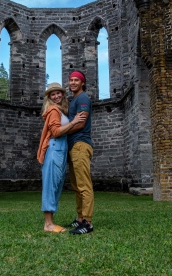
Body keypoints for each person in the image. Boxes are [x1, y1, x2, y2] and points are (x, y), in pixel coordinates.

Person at [37, 82, 86, 233]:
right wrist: (73, 122)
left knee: (56, 185)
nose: (56, 96)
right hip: (54, 149)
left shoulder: (60, 110)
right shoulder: (53, 110)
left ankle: (50, 222)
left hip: (60, 150)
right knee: (50, 185)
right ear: (49, 98)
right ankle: (48, 224)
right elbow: (56, 132)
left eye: (58, 93)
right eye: (53, 94)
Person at [66, 71, 94, 234]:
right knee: (77, 186)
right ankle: (80, 219)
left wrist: (62, 131)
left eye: (76, 80)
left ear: (82, 83)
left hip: (81, 144)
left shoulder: (83, 98)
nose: (73, 83)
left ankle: (88, 223)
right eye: (71, 80)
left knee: (84, 185)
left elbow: (80, 123)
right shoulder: (74, 100)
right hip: (73, 145)